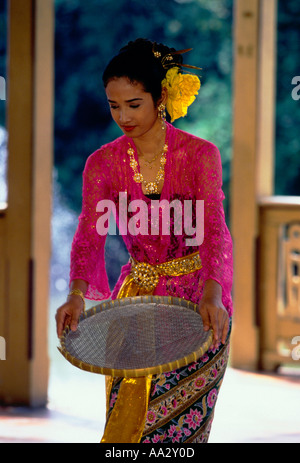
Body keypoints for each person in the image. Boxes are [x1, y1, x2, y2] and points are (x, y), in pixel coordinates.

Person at [55, 38, 233, 444]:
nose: (123, 116)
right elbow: (89, 231)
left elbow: (215, 231)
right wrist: (77, 293)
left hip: (200, 306)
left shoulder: (200, 156)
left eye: (134, 104)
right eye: (114, 106)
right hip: (136, 304)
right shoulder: (102, 163)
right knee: (128, 433)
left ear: (161, 97)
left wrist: (213, 294)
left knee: (180, 436)